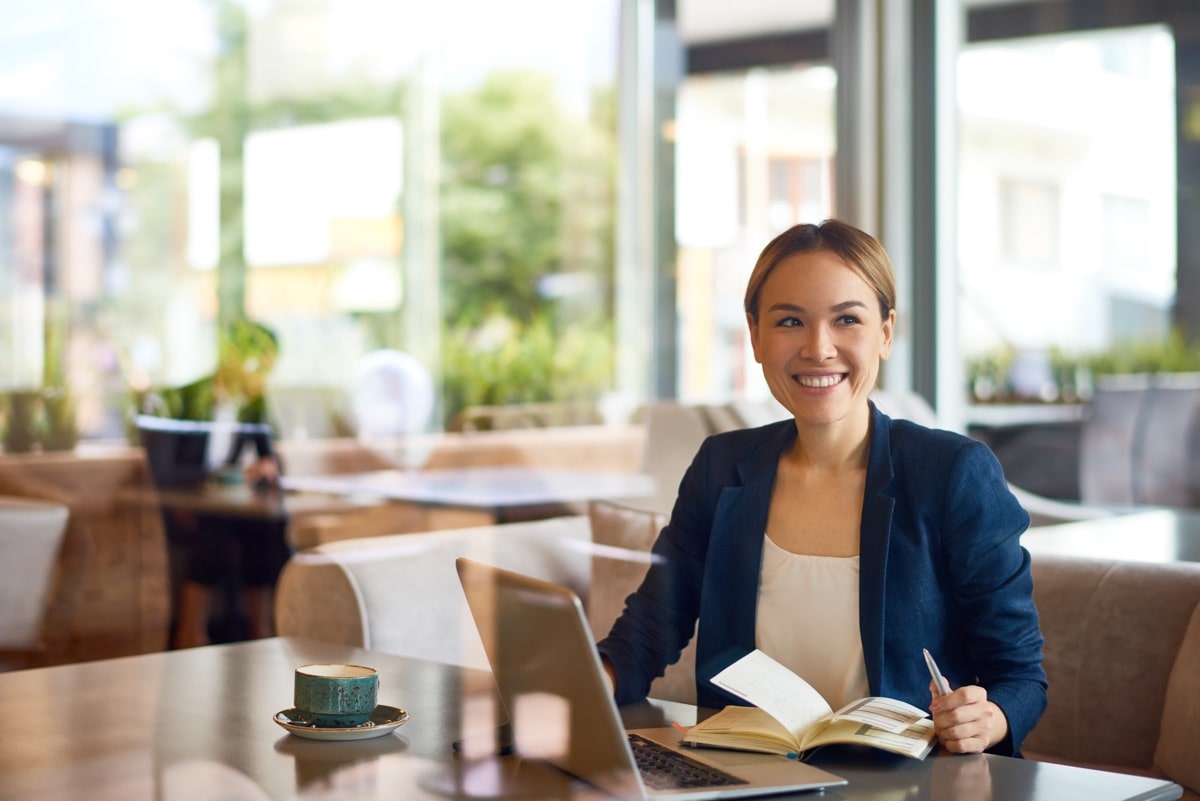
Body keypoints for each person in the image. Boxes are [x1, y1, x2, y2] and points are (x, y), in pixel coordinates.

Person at [597, 219, 1047, 756]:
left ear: (885, 332)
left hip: (906, 783)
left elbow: (1019, 677)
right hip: (751, 775)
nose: (818, 348)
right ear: (755, 335)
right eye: (790, 321)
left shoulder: (952, 472)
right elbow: (649, 630)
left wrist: (988, 718)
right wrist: (578, 688)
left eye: (847, 320)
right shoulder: (722, 467)